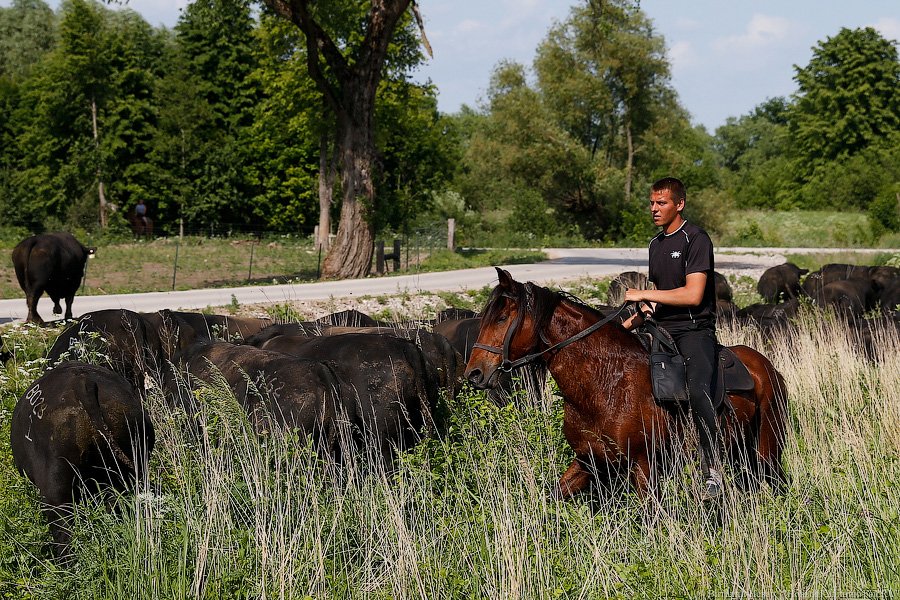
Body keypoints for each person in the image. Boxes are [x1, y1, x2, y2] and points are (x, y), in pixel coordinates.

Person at [622, 177, 722, 500]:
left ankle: (712, 471)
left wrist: (643, 292)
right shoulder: (655, 245)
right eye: (651, 203)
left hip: (694, 331)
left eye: (661, 203)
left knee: (696, 389)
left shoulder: (696, 239)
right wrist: (623, 326)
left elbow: (693, 295)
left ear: (679, 204)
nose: (654, 209)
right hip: (661, 329)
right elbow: (655, 303)